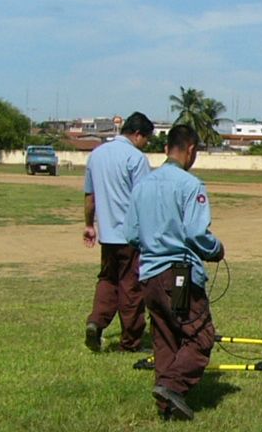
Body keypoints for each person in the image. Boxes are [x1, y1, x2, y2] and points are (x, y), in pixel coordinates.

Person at [124, 124, 224, 421]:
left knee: (165, 337)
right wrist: (215, 248)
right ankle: (171, 386)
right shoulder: (190, 185)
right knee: (201, 335)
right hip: (178, 273)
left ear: (167, 148)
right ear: (191, 150)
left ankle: (166, 407)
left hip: (148, 275)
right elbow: (196, 232)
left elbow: (131, 234)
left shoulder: (142, 186)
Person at [83, 111, 154, 352]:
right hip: (130, 235)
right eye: (147, 139)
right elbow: (144, 199)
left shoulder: (96, 155)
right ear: (137, 135)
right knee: (131, 287)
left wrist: (89, 225)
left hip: (107, 234)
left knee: (107, 280)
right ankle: (131, 342)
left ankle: (95, 322)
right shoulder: (136, 159)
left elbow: (90, 197)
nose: (146, 145)